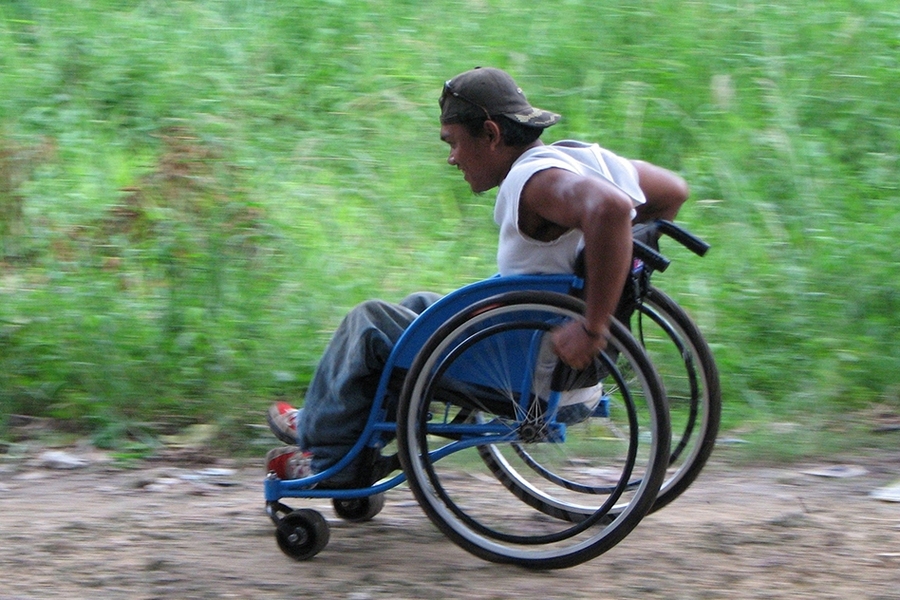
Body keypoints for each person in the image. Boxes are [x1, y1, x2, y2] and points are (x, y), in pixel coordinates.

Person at [265, 67, 688, 486]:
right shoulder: (584, 158)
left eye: (454, 144)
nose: (452, 159)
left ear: (490, 134)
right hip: (566, 370)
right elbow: (673, 190)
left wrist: (593, 325)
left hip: (531, 372)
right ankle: (336, 421)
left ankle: (324, 454)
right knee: (420, 307)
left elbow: (611, 210)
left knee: (369, 321)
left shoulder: (533, 180)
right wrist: (609, 275)